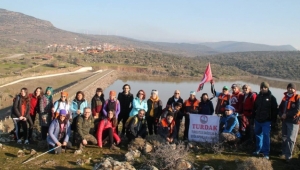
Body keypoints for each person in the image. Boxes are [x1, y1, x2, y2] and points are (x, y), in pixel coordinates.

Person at [253, 82, 278, 159]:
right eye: (262, 87)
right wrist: (253, 117)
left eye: (265, 87)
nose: (263, 89)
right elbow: (255, 107)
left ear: (268, 88)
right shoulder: (258, 97)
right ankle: (258, 150)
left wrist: (273, 121)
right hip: (258, 120)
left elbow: (275, 111)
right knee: (258, 135)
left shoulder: (272, 98)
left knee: (266, 136)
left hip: (267, 121)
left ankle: (266, 153)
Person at [278, 83, 300, 162]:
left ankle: (288, 156)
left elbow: (297, 110)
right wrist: (281, 115)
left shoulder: (297, 97)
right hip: (284, 121)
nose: (290, 89)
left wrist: (286, 115)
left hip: (293, 122)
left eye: (292, 88)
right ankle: (283, 153)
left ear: (294, 89)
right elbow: (280, 108)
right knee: (284, 137)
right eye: (289, 88)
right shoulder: (285, 98)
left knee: (291, 139)